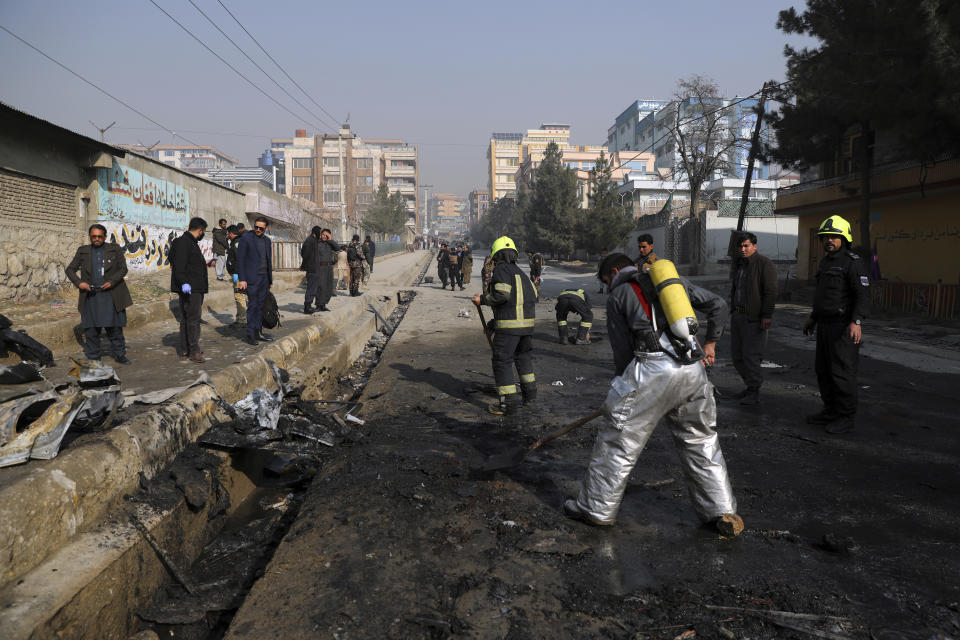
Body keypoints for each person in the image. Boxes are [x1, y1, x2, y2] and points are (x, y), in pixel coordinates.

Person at [563, 253, 741, 534]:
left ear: (615, 271)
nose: (608, 286)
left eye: (607, 280)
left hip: (651, 369)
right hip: (693, 370)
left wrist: (619, 397)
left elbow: (622, 355)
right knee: (702, 440)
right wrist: (711, 343)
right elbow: (718, 305)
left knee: (618, 440)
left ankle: (595, 508)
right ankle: (721, 511)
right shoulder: (672, 283)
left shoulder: (619, 295)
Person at [803, 215, 870, 434]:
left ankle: (845, 417)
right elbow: (823, 295)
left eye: (834, 236)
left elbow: (862, 295)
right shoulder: (826, 262)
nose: (829, 240)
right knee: (823, 371)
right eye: (825, 237)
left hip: (844, 328)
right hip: (824, 325)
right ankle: (830, 411)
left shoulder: (852, 262)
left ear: (844, 238)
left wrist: (856, 322)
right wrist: (813, 318)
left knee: (842, 373)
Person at [471, 236, 538, 416]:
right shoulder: (521, 274)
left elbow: (502, 296)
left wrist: (482, 299)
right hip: (526, 328)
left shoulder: (501, 271)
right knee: (523, 359)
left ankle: (509, 404)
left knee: (502, 362)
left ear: (497, 256)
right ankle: (530, 396)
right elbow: (520, 302)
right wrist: (493, 325)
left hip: (509, 330)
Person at [65, 224, 133, 364]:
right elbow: (70, 269)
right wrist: (79, 283)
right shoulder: (83, 251)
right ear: (90, 237)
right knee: (91, 329)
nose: (97, 239)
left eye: (99, 236)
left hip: (111, 295)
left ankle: (120, 354)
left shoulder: (114, 249)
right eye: (94, 236)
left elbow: (123, 269)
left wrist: (112, 281)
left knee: (114, 328)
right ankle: (94, 357)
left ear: (105, 237)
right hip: (90, 295)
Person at [728, 232, 778, 405]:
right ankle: (750, 386)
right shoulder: (740, 265)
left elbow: (770, 291)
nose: (742, 249)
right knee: (737, 356)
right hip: (738, 315)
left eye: (746, 246)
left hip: (754, 319)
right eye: (740, 246)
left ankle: (754, 390)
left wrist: (766, 315)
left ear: (754, 246)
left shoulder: (764, 264)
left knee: (751, 356)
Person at [169, 217, 209, 363]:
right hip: (191, 288)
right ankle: (193, 351)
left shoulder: (189, 243)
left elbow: (174, 259)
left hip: (193, 287)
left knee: (187, 318)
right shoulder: (183, 243)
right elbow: (178, 265)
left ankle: (186, 349)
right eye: (202, 232)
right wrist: (184, 283)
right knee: (193, 319)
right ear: (200, 230)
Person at [237, 216, 274, 346]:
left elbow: (268, 260)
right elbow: (240, 260)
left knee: (260, 306)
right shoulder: (246, 239)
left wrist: (270, 279)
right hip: (252, 278)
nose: (258, 230)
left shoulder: (267, 241)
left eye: (261, 228)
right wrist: (242, 279)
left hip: (264, 278)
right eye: (256, 227)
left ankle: (258, 332)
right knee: (252, 306)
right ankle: (250, 334)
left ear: (266, 228)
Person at [225, 225, 246, 329]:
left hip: (238, 274)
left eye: (228, 233)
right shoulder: (236, 242)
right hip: (237, 274)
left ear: (231, 233)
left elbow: (239, 259)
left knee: (239, 296)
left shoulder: (237, 242)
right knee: (239, 296)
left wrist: (237, 274)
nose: (227, 235)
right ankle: (240, 318)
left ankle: (242, 320)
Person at [315, 229, 340, 311]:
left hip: (329, 267)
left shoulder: (330, 243)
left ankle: (324, 304)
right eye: (323, 235)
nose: (324, 236)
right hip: (321, 267)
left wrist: (330, 239)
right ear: (320, 234)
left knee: (329, 287)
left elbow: (337, 248)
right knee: (321, 286)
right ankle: (318, 305)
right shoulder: (317, 243)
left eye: (326, 235)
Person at [300, 226, 321, 314]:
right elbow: (304, 254)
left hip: (314, 268)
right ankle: (307, 307)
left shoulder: (314, 240)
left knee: (313, 287)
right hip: (312, 268)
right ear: (315, 232)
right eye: (319, 232)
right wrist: (308, 264)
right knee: (311, 288)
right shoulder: (310, 241)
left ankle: (309, 305)